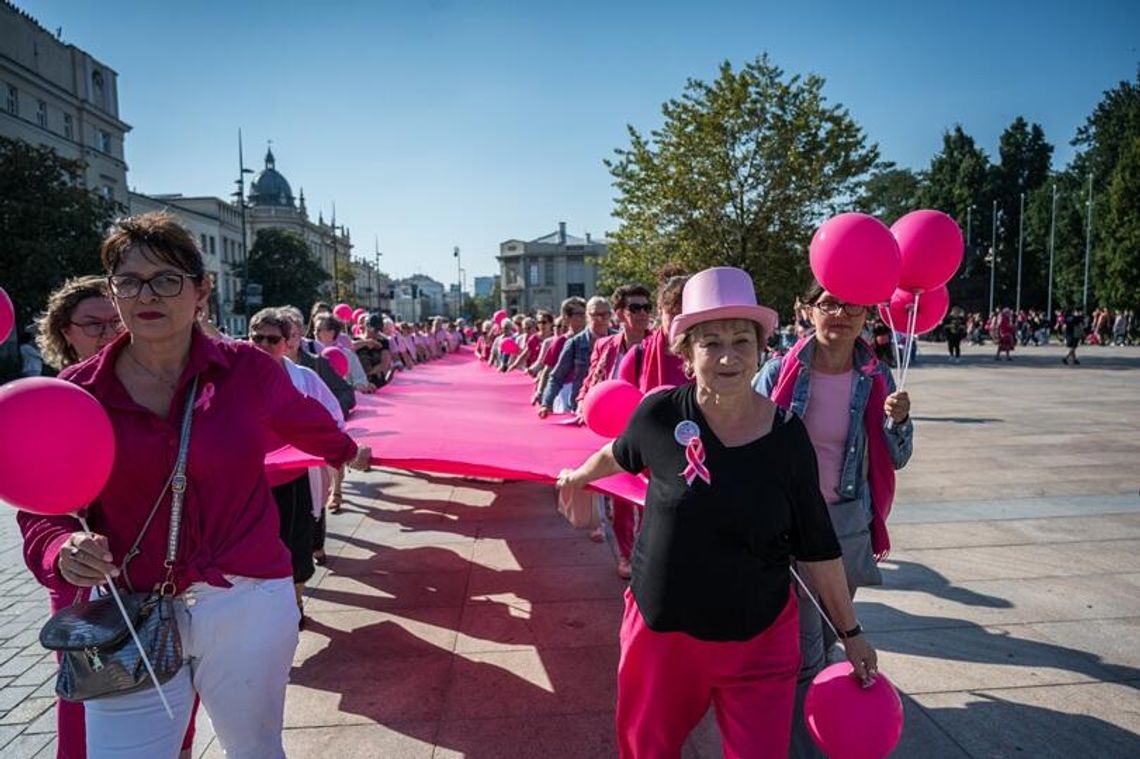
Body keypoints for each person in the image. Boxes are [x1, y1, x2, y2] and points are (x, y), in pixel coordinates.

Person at [18, 212, 371, 759]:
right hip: (129, 613)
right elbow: (42, 505)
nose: (147, 294)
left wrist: (350, 451)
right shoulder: (79, 392)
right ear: (114, 292)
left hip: (247, 600)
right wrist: (60, 547)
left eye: (166, 279)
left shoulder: (246, 369)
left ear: (201, 290)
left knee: (253, 750)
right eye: (129, 281)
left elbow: (308, 420)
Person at [557, 267, 876, 757]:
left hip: (761, 641)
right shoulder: (658, 415)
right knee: (646, 751)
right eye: (710, 342)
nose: (728, 356)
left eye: (740, 341)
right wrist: (578, 475)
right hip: (662, 640)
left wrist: (851, 633)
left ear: (759, 349)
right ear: (686, 353)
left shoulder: (788, 437)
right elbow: (619, 453)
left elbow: (818, 545)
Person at [26, 275, 205, 759]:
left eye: (113, 320)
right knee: (95, 700)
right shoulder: (54, 400)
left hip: (172, 582)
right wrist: (60, 548)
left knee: (174, 701)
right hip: (92, 586)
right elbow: (39, 511)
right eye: (92, 324)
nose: (108, 332)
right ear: (65, 332)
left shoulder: (171, 386)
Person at [753, 281, 912, 758]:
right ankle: (808, 748)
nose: (839, 313)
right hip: (791, 527)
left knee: (828, 637)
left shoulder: (877, 378)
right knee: (807, 655)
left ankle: (813, 731)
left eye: (852, 305)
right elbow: (744, 434)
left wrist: (898, 422)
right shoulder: (778, 371)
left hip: (846, 527)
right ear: (807, 310)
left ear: (868, 315)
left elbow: (897, 458)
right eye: (827, 304)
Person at [248, 308, 349, 628]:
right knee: (254, 545)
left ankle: (295, 602)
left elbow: (333, 418)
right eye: (257, 338)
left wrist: (331, 450)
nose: (264, 344)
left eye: (272, 339)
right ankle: (261, 607)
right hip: (249, 481)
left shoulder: (304, 378)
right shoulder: (231, 378)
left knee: (295, 543)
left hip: (294, 479)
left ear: (286, 343)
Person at [539, 295, 613, 417]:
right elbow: (557, 377)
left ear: (610, 316)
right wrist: (546, 404)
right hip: (580, 407)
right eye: (595, 315)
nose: (600, 319)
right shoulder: (574, 343)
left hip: (611, 406)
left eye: (605, 314)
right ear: (587, 316)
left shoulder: (619, 340)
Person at [617, 271, 689, 393]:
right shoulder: (636, 357)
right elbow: (625, 405)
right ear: (660, 310)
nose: (680, 321)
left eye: (686, 314)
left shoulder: (709, 353)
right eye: (674, 313)